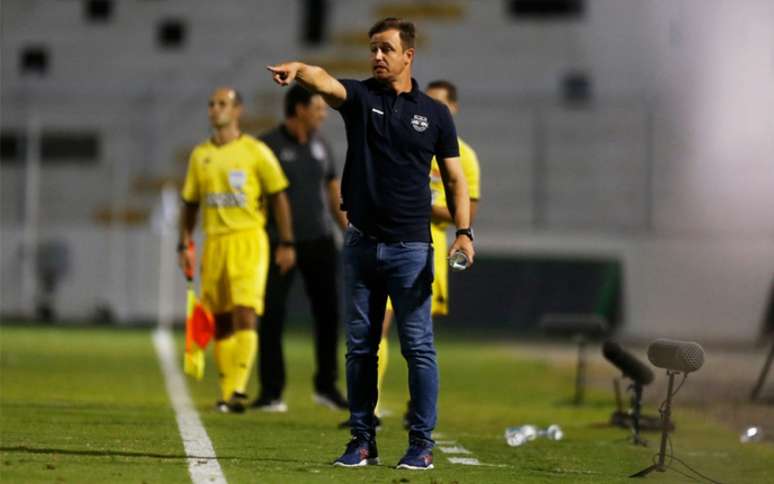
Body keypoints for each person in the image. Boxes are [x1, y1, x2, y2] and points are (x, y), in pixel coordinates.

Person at [267, 17, 475, 470]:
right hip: (361, 246)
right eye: (373, 49)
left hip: (411, 249)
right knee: (360, 348)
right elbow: (325, 82)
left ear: (408, 55)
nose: (377, 56)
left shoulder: (434, 114)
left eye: (385, 49)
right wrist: (301, 68)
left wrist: (464, 233)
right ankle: (361, 440)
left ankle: (421, 444)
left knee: (418, 348)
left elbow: (456, 180)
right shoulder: (361, 98)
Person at [178, 87, 296, 413]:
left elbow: (279, 196)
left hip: (248, 240)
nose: (215, 109)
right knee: (221, 320)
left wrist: (286, 242)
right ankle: (228, 392)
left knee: (246, 309)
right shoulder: (200, 155)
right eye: (211, 104)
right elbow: (189, 203)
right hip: (214, 241)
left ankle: (240, 388)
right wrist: (184, 243)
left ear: (238, 110)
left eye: (222, 104)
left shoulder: (256, 152)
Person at [375, 79, 481, 423]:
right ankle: (369, 405)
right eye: (428, 103)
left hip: (430, 249)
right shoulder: (408, 142)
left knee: (416, 338)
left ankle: (416, 407)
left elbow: (464, 213)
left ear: (453, 108)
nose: (433, 111)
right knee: (377, 326)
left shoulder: (464, 156)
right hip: (392, 241)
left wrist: (419, 206)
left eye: (441, 105)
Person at [251, 84, 349, 413]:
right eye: (318, 108)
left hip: (320, 241)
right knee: (273, 315)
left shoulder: (321, 145)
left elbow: (333, 189)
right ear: (299, 109)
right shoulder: (266, 146)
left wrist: (349, 231)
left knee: (328, 314)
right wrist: (278, 240)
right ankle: (271, 391)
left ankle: (326, 386)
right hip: (279, 243)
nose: (323, 114)